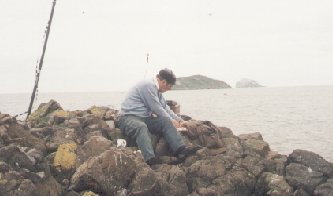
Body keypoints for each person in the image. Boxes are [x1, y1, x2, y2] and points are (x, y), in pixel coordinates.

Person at [118, 68, 200, 165]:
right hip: (128, 118)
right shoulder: (147, 85)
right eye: (169, 86)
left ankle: (181, 150)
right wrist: (171, 120)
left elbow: (165, 108)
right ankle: (150, 160)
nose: (170, 89)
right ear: (163, 82)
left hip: (145, 118)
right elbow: (156, 108)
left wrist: (180, 121)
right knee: (141, 127)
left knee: (165, 122)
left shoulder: (157, 90)